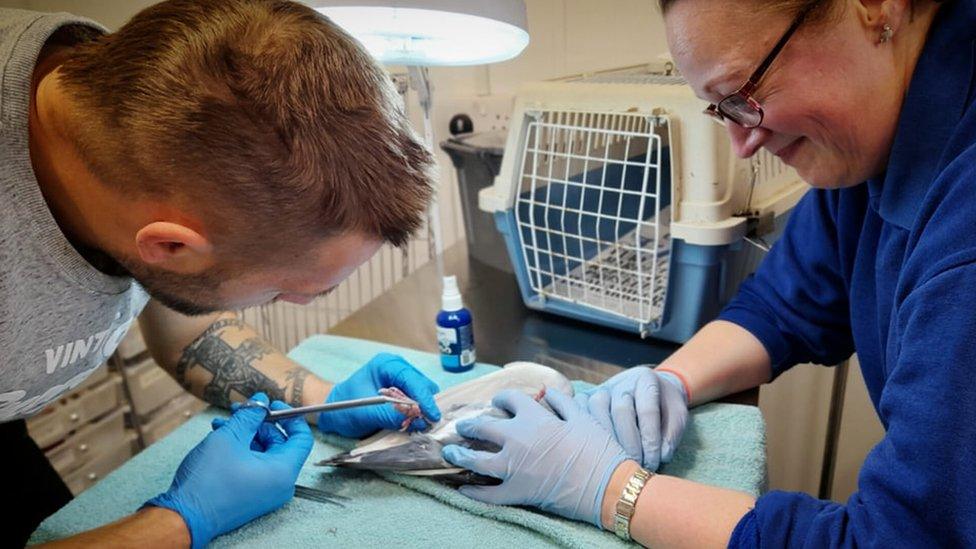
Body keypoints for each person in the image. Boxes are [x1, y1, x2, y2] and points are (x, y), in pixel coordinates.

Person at [443, 0, 976, 546]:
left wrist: (608, 489)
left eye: (745, 95)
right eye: (720, 111)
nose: (742, 145)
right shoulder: (867, 142)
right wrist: (670, 378)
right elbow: (783, 304)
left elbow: (898, 537)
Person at [1, 0, 443, 546]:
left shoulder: (133, 111)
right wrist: (178, 521)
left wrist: (324, 400)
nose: (299, 303)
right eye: (284, 291)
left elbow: (185, 320)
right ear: (169, 243)